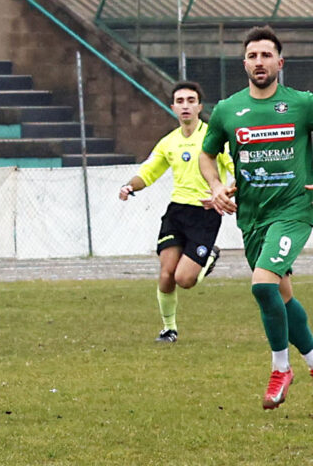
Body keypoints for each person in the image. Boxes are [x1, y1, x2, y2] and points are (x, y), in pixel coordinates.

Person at [200, 26, 313, 410]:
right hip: (251, 215)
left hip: (294, 210)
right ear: (244, 63)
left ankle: (281, 368)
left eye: (267, 55)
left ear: (280, 62)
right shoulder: (227, 110)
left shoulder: (302, 104)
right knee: (281, 294)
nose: (259, 62)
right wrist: (216, 186)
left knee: (262, 285)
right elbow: (207, 154)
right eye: (253, 56)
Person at [118, 81, 232, 343]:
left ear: (200, 107)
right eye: (180, 101)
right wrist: (129, 186)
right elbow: (149, 172)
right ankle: (169, 329)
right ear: (172, 107)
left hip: (205, 213)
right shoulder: (168, 142)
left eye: (191, 100)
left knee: (184, 279)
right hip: (177, 213)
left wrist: (226, 192)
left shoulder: (213, 138)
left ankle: (209, 258)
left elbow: (233, 166)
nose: (185, 106)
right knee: (166, 272)